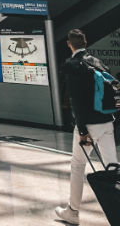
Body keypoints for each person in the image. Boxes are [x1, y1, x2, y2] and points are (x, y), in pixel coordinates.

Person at [55, 29, 118, 225]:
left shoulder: (73, 66)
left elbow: (77, 102)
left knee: (78, 166)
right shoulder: (96, 62)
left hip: (88, 124)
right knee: (112, 167)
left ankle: (72, 211)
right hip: (107, 121)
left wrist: (82, 131)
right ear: (85, 42)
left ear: (69, 44)